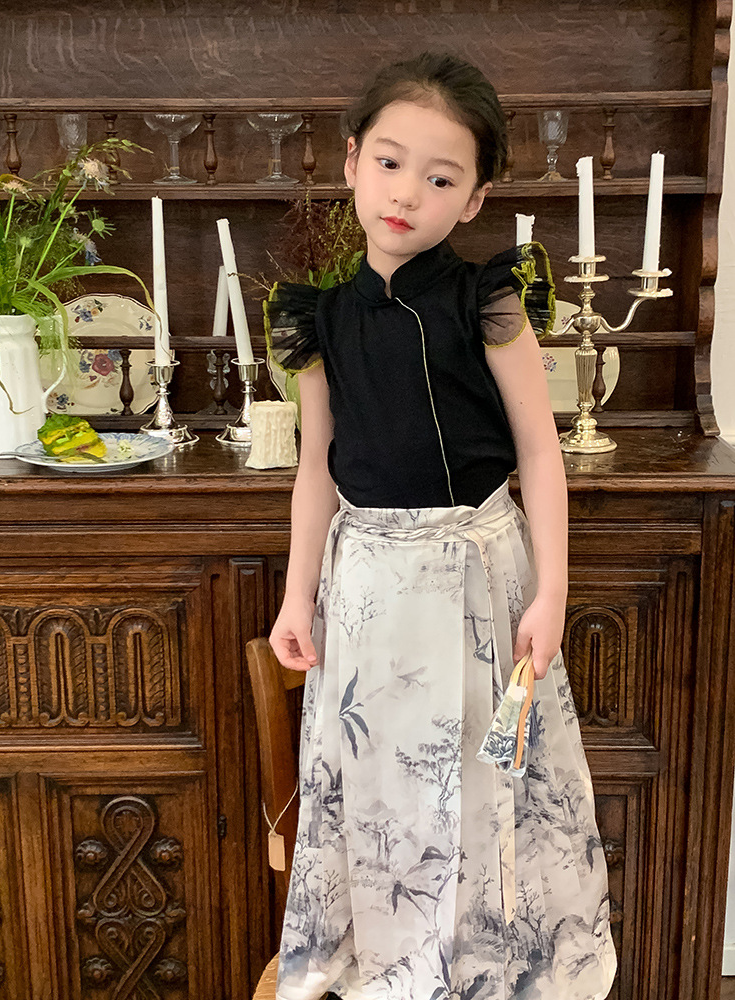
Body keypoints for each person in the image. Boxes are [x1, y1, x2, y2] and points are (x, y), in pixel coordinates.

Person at [264, 50, 617, 1000]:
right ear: (351, 160)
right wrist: (297, 597)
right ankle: (391, 968)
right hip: (367, 588)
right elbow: (315, 467)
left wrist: (553, 591)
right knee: (383, 784)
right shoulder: (320, 321)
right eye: (388, 162)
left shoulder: (488, 300)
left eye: (440, 177)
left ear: (474, 198)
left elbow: (540, 452)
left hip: (479, 577)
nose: (406, 193)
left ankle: (493, 973)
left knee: (483, 778)